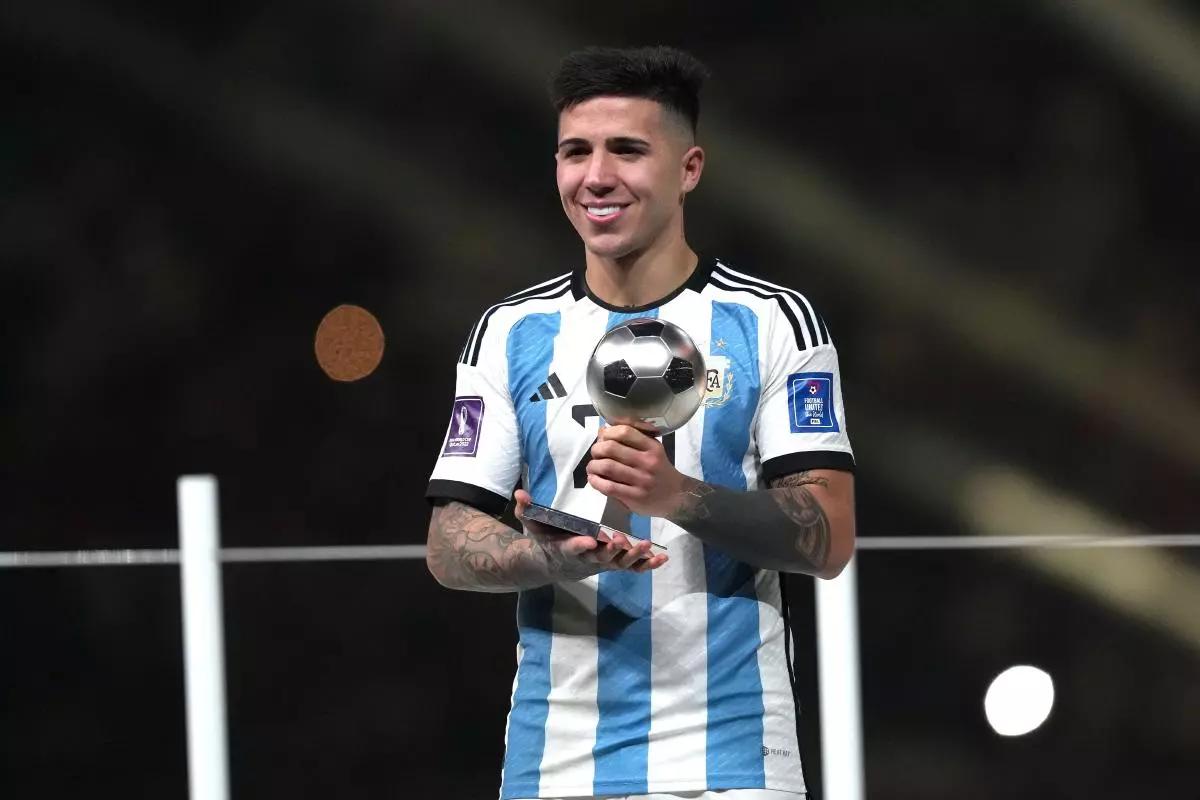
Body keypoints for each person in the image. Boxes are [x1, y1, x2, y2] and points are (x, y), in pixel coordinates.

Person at [425, 44, 856, 800]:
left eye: (627, 150)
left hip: (734, 765)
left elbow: (829, 535)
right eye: (575, 152)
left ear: (689, 168)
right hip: (555, 763)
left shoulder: (772, 322)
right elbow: (449, 544)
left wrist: (675, 496)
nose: (596, 176)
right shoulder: (508, 331)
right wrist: (552, 560)